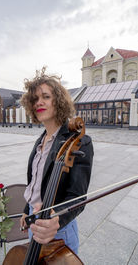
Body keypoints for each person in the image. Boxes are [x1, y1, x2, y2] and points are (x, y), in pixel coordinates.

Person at [19, 67, 94, 254]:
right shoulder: (41, 140)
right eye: (35, 99)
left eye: (45, 96)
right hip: (34, 222)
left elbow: (77, 197)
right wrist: (25, 209)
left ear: (58, 101)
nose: (39, 102)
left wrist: (57, 220)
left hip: (58, 230)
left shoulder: (80, 142)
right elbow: (35, 183)